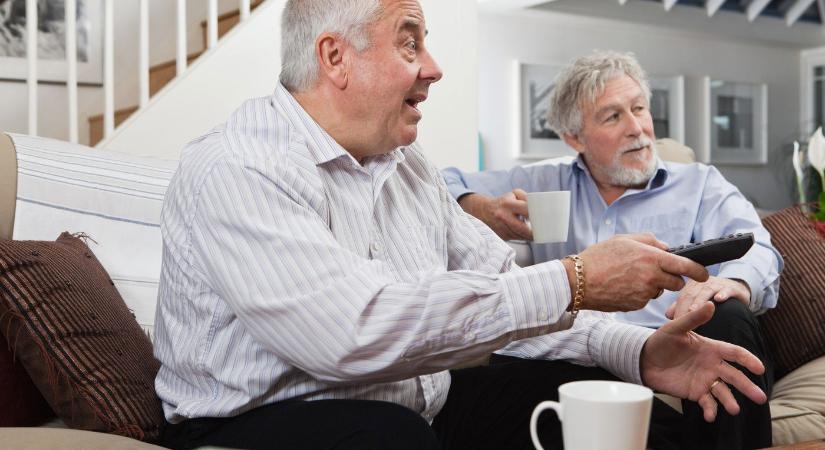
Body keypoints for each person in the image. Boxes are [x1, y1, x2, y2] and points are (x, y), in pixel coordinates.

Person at [153, 2, 768, 449]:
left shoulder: (406, 166)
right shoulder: (238, 167)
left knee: (607, 413)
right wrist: (576, 277)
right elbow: (350, 335)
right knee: (387, 438)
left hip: (414, 408)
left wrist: (638, 353)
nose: (435, 68)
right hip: (254, 422)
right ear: (335, 57)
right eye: (410, 42)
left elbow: (502, 288)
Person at [443, 51, 782, 449]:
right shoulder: (546, 181)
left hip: (676, 346)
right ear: (575, 138)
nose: (637, 128)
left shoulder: (700, 185)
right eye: (613, 116)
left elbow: (758, 245)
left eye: (639, 108)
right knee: (514, 380)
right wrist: (479, 206)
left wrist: (732, 284)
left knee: (728, 313)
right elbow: (438, 183)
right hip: (582, 355)